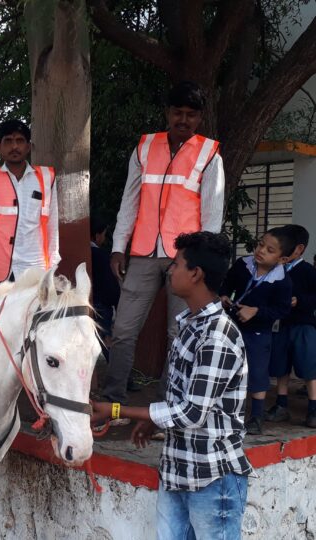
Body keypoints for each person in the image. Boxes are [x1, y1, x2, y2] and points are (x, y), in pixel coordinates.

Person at [92, 232, 252, 540]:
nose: (170, 270)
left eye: (176, 264)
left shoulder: (217, 336)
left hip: (212, 477)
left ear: (196, 274)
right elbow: (181, 398)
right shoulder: (190, 325)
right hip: (177, 469)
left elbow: (193, 413)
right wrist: (154, 420)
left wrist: (117, 411)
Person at [103, 81, 225, 406]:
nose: (183, 120)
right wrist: (118, 247)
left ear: (200, 117)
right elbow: (129, 201)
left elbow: (212, 215)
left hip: (184, 260)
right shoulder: (145, 148)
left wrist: (201, 261)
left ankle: (168, 406)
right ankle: (111, 402)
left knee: (178, 334)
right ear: (167, 113)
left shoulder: (209, 154)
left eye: (190, 114)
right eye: (177, 113)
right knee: (123, 330)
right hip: (142, 253)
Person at [220, 227, 293, 434]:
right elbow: (227, 284)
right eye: (261, 244)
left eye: (270, 250)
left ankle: (257, 416)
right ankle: (223, 410)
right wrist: (223, 295)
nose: (261, 250)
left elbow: (282, 310)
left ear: (282, 259)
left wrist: (256, 311)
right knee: (225, 366)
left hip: (258, 332)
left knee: (257, 371)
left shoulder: (282, 281)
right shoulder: (242, 265)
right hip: (232, 326)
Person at [0, 119, 60, 283]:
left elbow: (52, 226)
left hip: (34, 266)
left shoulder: (46, 178)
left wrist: (52, 267)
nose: (14, 146)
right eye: (8, 141)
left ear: (28, 147)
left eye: (19, 141)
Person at [266, 225, 316, 428]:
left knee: (309, 366)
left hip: (303, 326)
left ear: (299, 249)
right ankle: (281, 404)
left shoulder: (308, 271)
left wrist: (299, 301)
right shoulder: (275, 269)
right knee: (281, 366)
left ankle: (313, 408)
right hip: (280, 324)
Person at [90, 216, 120, 353]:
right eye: (103, 234)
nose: (104, 238)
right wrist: (116, 302)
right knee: (103, 340)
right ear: (97, 236)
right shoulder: (101, 255)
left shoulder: (85, 253)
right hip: (102, 306)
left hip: (89, 302)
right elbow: (110, 286)